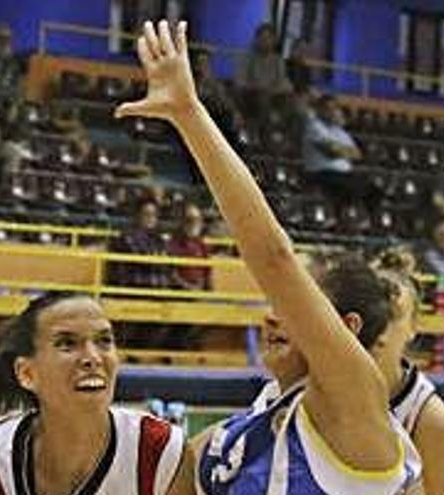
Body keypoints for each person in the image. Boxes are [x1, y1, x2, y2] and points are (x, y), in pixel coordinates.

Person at [116, 20, 422, 494]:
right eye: (277, 304)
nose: (273, 315)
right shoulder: (259, 416)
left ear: (346, 328)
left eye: (294, 304)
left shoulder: (358, 400)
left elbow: (275, 258)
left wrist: (190, 114)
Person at [0, 292, 194, 495]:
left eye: (104, 341)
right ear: (27, 373)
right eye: (67, 344)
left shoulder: (161, 452)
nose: (92, 357)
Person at [253, 250, 444, 495]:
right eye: (378, 314)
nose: (383, 325)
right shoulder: (300, 383)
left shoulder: (427, 415)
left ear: (413, 328)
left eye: (393, 316)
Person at [302, 94, 364, 205]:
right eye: (327, 109)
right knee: (350, 190)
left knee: (373, 190)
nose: (331, 112)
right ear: (319, 110)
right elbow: (330, 151)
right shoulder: (314, 126)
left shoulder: (340, 131)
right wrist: (344, 151)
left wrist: (339, 150)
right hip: (322, 173)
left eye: (334, 109)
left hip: (344, 174)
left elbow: (357, 154)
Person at [167, 203, 211, 291]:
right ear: (182, 222)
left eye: (197, 219)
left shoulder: (204, 245)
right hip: (179, 294)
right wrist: (189, 287)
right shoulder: (173, 244)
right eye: (189, 220)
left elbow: (208, 273)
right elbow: (171, 274)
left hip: (201, 294)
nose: (193, 223)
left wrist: (201, 287)